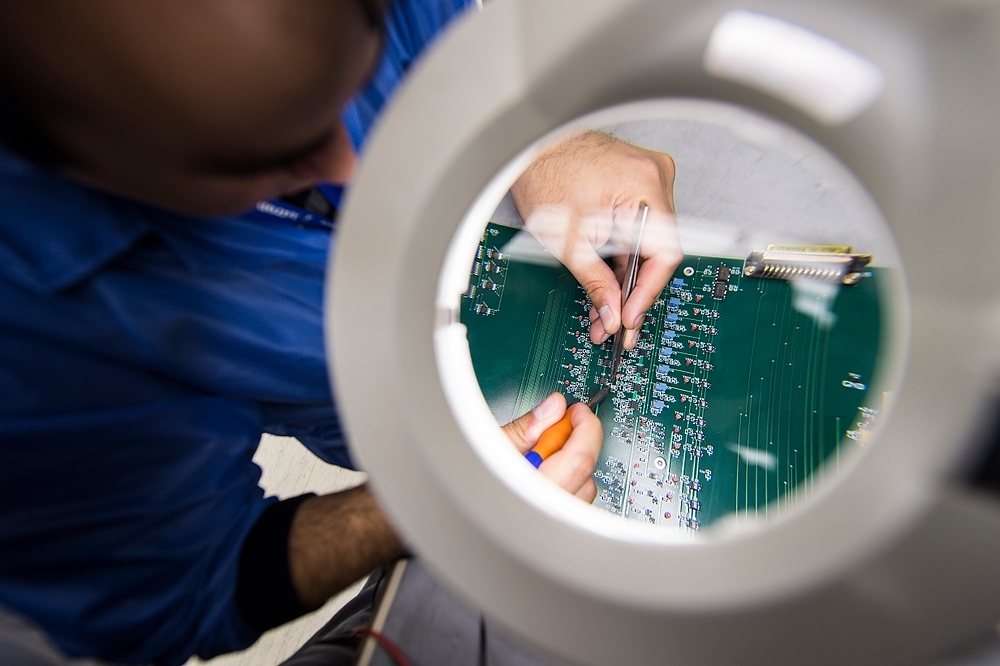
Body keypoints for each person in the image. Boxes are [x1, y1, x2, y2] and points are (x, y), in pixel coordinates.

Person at [0, 1, 679, 664]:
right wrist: (431, 509)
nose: (354, 168)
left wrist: (544, 146)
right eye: (269, 159)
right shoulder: (37, 347)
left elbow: (457, 37)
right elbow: (194, 587)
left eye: (352, 86)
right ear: (92, 167)